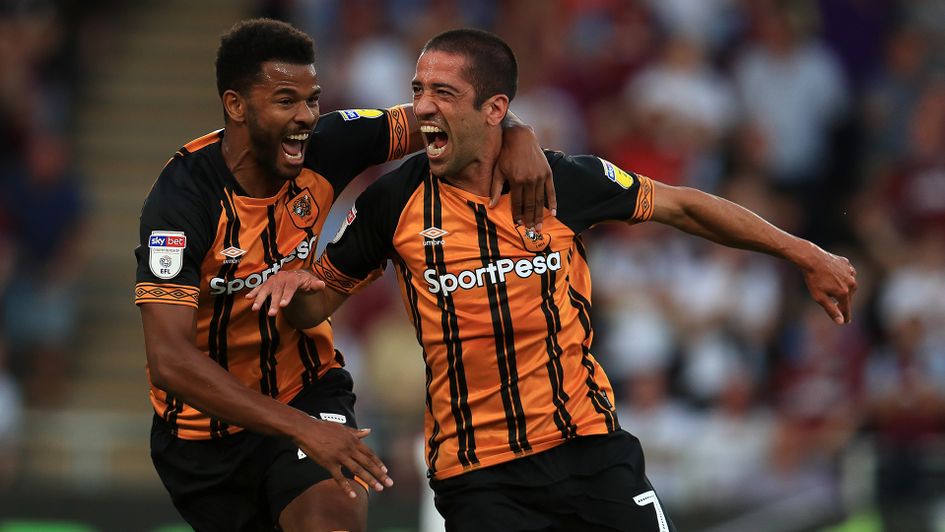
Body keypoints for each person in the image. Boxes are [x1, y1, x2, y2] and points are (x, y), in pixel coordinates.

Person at [248, 28, 858, 531]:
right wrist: (293, 289)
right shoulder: (393, 201)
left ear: (494, 109)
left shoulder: (561, 183)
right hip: (479, 477)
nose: (422, 106)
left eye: (443, 92)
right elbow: (321, 297)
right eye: (417, 90)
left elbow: (683, 206)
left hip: (590, 451)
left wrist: (805, 254)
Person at [134, 19, 552, 532]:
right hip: (201, 437)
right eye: (286, 100)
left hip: (307, 390)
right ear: (236, 105)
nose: (306, 117)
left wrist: (515, 132)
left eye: (312, 99)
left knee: (331, 518)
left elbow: (442, 117)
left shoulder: (331, 144)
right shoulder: (181, 202)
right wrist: (300, 429)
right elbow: (170, 360)